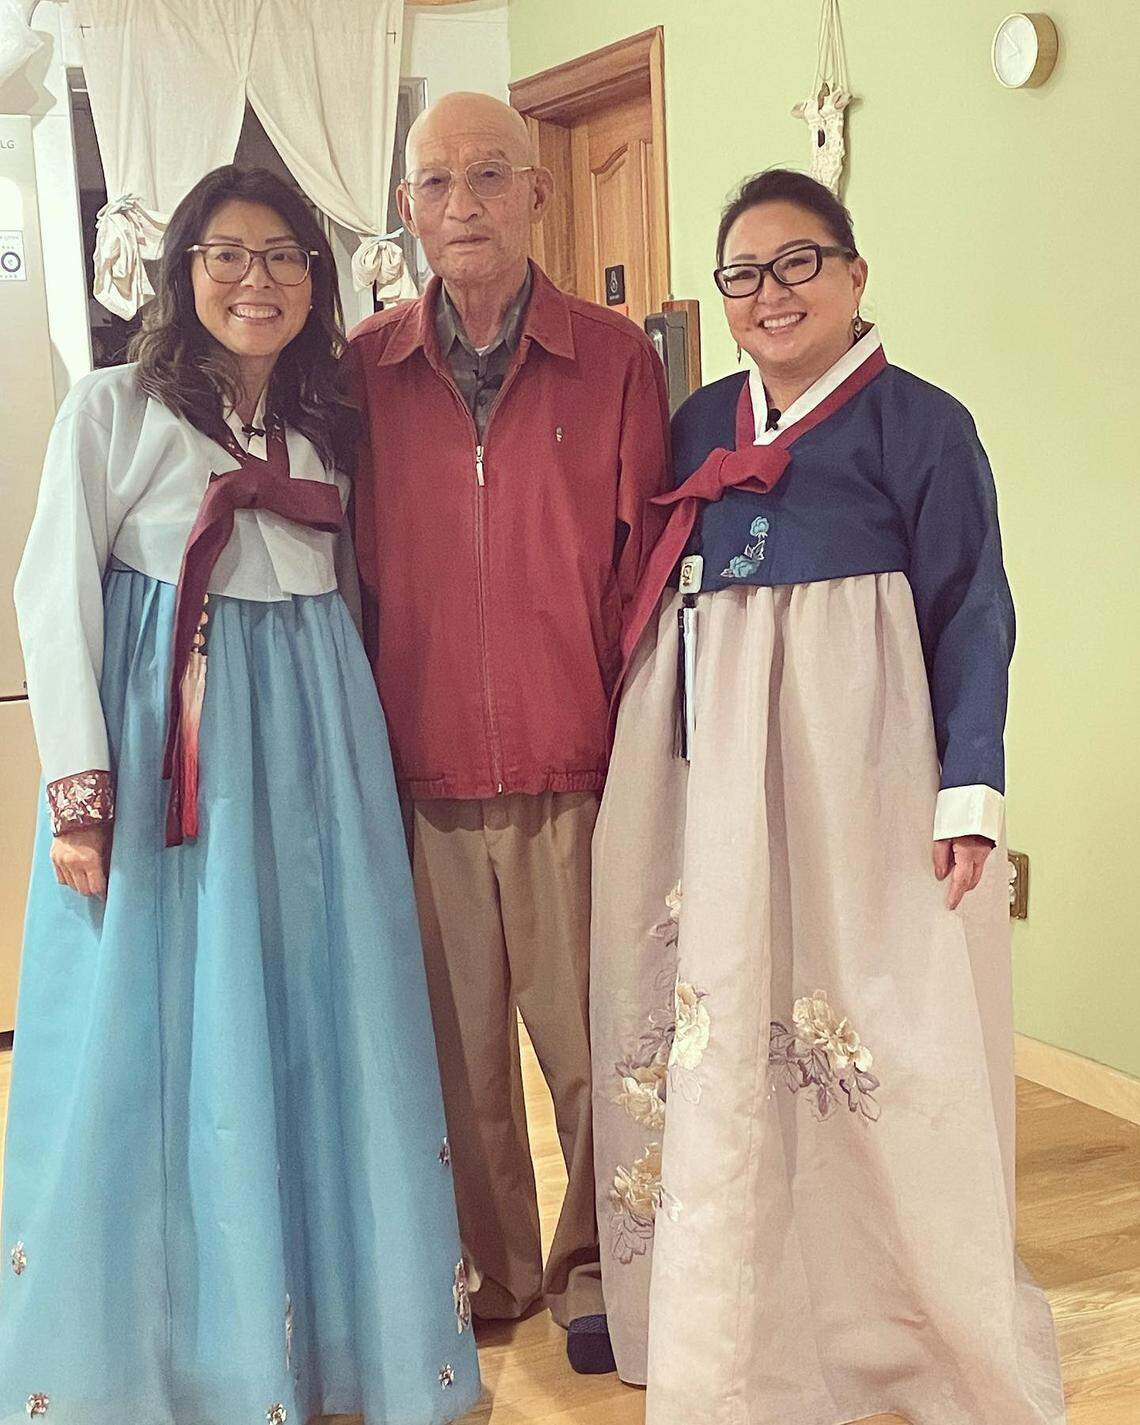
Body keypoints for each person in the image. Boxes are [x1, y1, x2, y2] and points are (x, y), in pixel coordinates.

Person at [0, 165, 480, 1425]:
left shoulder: (329, 424)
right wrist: (81, 792)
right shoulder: (111, 410)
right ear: (184, 271)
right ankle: (161, 1357)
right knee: (154, 1031)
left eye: (282, 257)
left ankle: (338, 1344)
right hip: (177, 748)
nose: (254, 281)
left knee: (326, 1018)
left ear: (316, 283)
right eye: (227, 255)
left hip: (315, 744)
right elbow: (52, 599)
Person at [591, 168, 1067, 1425]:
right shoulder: (698, 419)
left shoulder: (923, 424)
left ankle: (895, 1320)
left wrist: (971, 786)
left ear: (856, 275)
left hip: (860, 763)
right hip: (713, 776)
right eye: (742, 274)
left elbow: (974, 606)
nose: (769, 293)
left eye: (797, 263)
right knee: (726, 1017)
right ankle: (731, 1322)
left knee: (875, 1019)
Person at [344, 92, 671, 1374]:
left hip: (573, 770)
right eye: (435, 184)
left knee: (592, 1047)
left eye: (489, 177)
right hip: (419, 772)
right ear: (408, 207)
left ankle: (600, 1263)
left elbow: (646, 567)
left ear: (538, 194)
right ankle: (497, 1266)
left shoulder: (614, 358)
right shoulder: (364, 369)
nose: (463, 206)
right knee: (459, 1055)